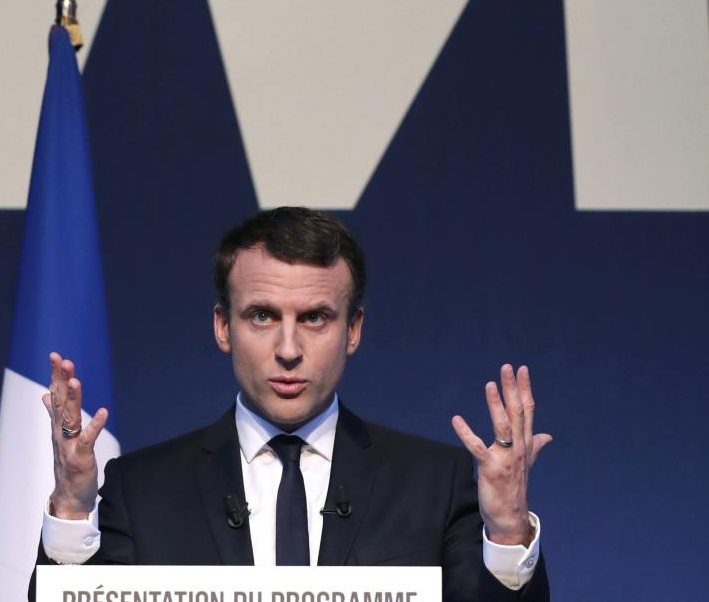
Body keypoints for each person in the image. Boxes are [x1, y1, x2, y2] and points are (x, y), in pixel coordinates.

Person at [35, 207, 551, 601]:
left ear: (353, 330)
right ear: (222, 326)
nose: (287, 349)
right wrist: (72, 513)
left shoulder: (436, 485)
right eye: (261, 316)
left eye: (314, 318)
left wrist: (507, 533)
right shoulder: (140, 489)